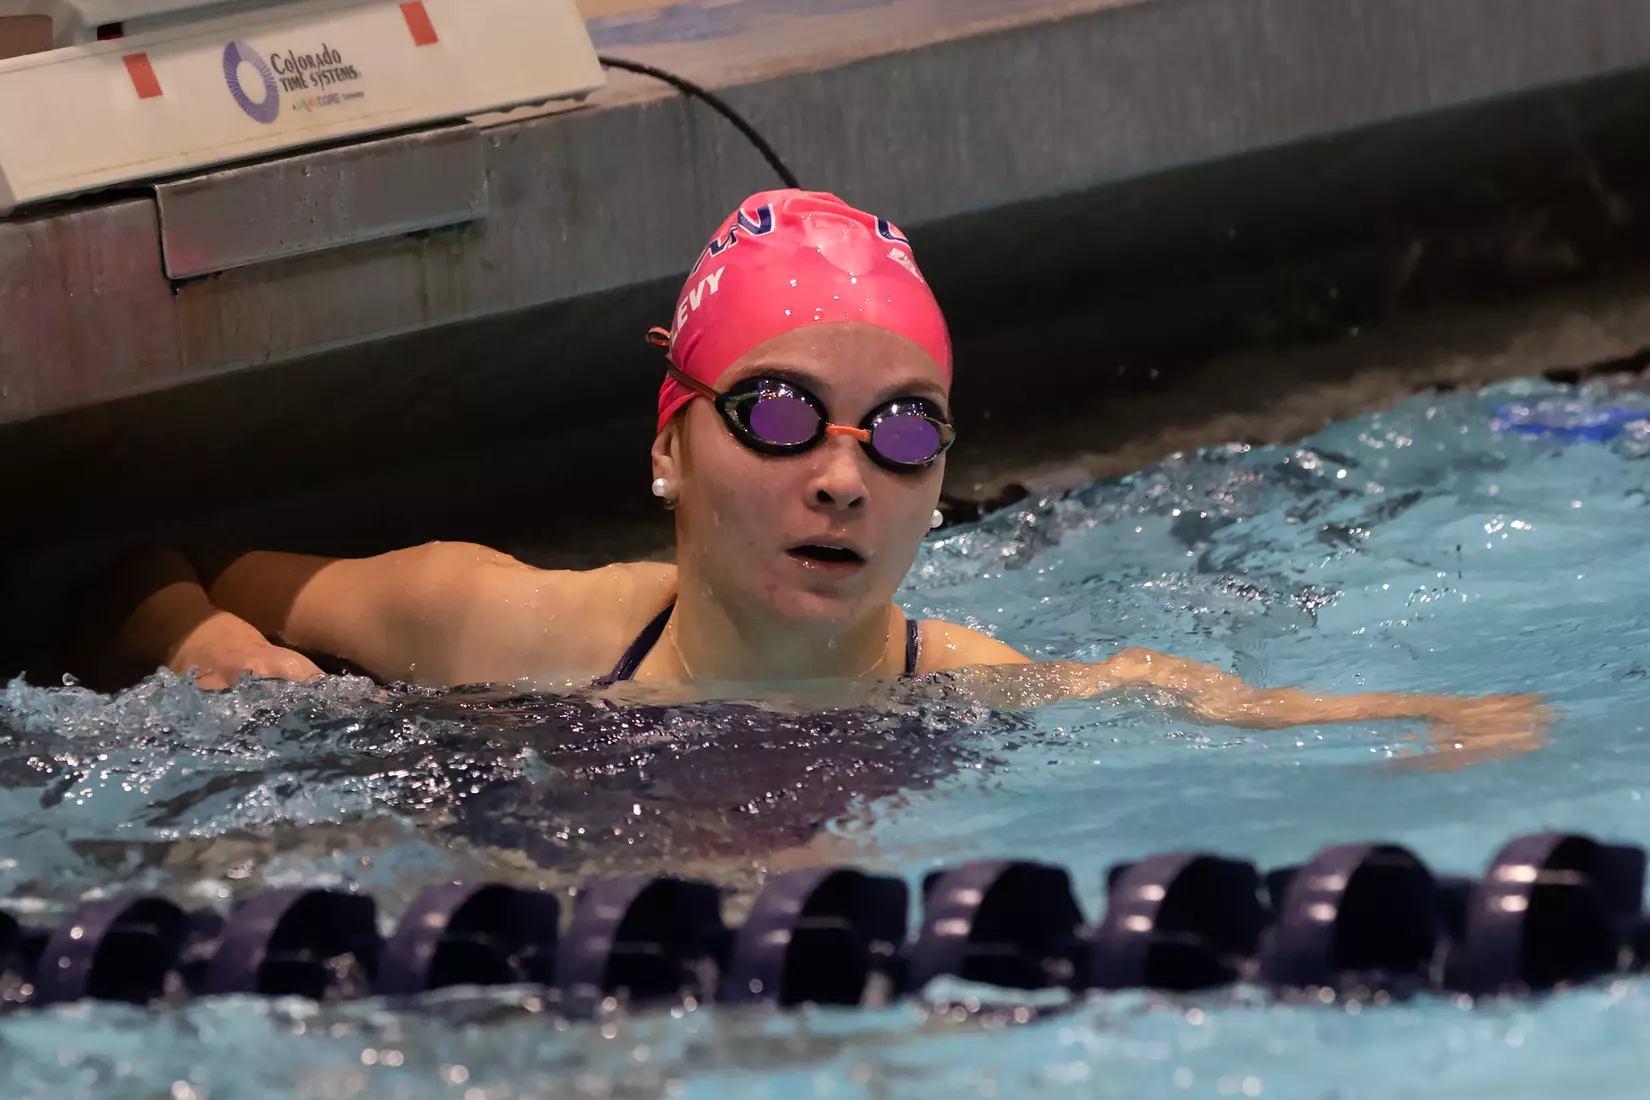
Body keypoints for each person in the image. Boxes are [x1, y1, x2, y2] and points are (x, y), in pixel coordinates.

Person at [87, 190, 1545, 764]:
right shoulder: (514, 628)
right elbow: (192, 578)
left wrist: (1438, 716)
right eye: (781, 416)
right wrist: (207, 651)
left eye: (902, 429)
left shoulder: (967, 682)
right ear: (668, 446)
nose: (845, 477)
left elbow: (1224, 703)